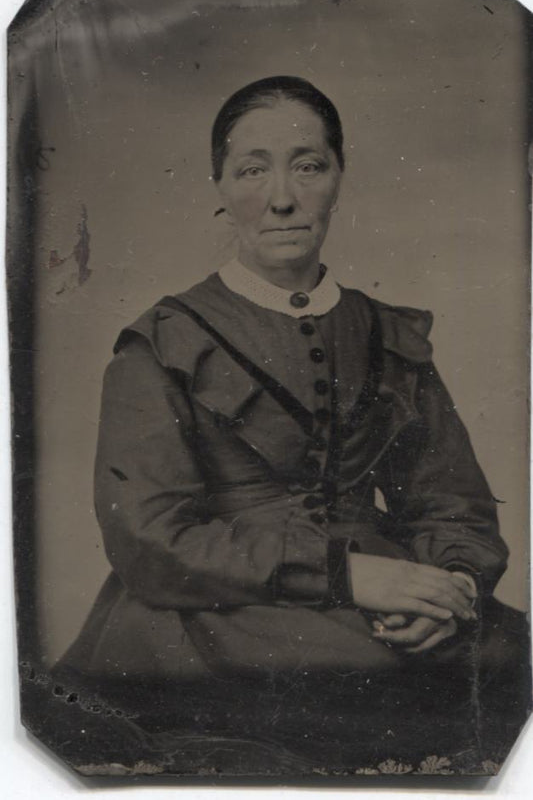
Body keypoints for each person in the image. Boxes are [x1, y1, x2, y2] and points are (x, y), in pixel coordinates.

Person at [57, 76, 529, 768]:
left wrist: (446, 588)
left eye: (307, 165)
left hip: (390, 607)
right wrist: (347, 575)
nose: (281, 196)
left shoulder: (385, 335)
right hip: (213, 616)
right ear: (218, 184)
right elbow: (149, 537)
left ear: (338, 177)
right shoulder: (162, 342)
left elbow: (451, 501)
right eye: (252, 168)